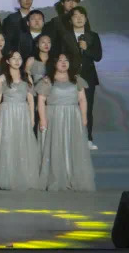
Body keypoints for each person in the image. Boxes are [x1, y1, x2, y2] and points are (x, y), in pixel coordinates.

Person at [36, 53, 96, 191]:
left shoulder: (76, 79)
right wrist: (43, 120)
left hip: (73, 116)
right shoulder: (47, 80)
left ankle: (72, 176)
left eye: (66, 60)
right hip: (54, 117)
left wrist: (84, 117)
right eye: (60, 60)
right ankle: (57, 177)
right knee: (55, 146)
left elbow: (82, 99)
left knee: (73, 146)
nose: (64, 62)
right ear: (54, 63)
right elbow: (41, 100)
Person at [0, 51, 40, 190]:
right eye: (13, 58)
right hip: (7, 113)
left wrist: (32, 118)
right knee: (7, 142)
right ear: (8, 61)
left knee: (22, 142)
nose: (17, 61)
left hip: (23, 113)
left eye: (19, 58)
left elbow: (31, 99)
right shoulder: (2, 78)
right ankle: (8, 177)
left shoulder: (27, 77)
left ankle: (23, 177)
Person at [55, 6, 102, 148]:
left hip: (88, 78)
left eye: (82, 15)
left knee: (87, 108)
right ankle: (69, 140)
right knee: (69, 107)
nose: (79, 18)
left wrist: (86, 49)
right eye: (76, 16)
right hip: (69, 77)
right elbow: (60, 57)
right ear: (70, 20)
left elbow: (98, 56)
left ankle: (87, 138)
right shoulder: (65, 36)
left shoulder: (93, 36)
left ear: (86, 19)